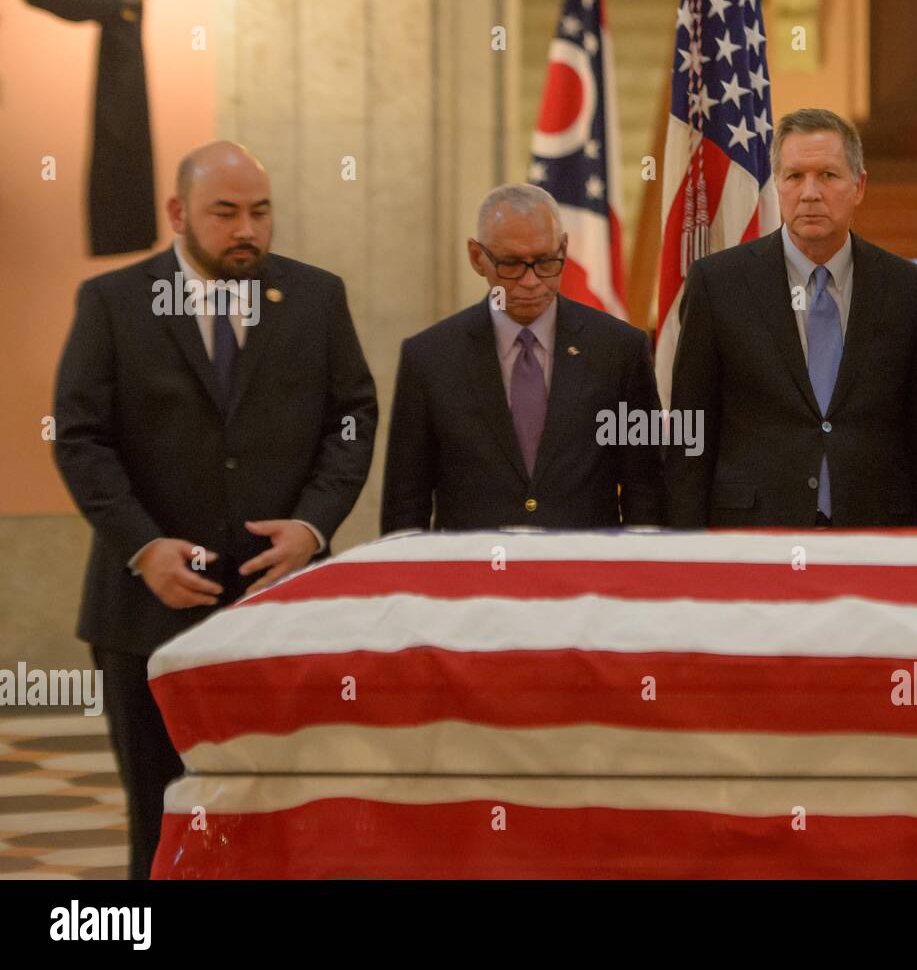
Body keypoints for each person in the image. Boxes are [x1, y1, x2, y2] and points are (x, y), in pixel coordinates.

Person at [53, 141, 378, 877]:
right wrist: (143, 548)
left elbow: (351, 420)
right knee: (163, 823)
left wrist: (312, 528)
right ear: (178, 213)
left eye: (261, 212)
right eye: (225, 213)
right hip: (145, 617)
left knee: (285, 821)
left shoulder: (317, 297)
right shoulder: (112, 303)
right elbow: (80, 439)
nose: (248, 231)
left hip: (282, 609)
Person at [665, 108, 917, 528]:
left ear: (859, 185)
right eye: (795, 177)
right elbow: (691, 431)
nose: (810, 192)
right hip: (752, 533)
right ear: (777, 185)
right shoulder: (718, 284)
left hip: (875, 533)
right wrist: (685, 547)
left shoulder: (909, 289)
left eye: (828, 176)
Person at [380, 184, 664, 532]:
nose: (531, 281)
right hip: (471, 573)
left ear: (564, 248)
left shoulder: (619, 349)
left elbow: (644, 489)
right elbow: (406, 503)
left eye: (545, 261)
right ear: (476, 257)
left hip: (585, 570)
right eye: (511, 264)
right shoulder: (429, 358)